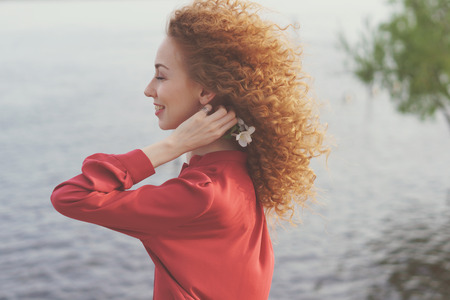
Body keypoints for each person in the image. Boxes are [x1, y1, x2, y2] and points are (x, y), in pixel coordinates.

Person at [51, 0, 328, 299]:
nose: (148, 89)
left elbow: (71, 196)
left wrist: (173, 145)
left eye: (161, 75)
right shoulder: (241, 176)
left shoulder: (201, 195)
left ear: (206, 91)